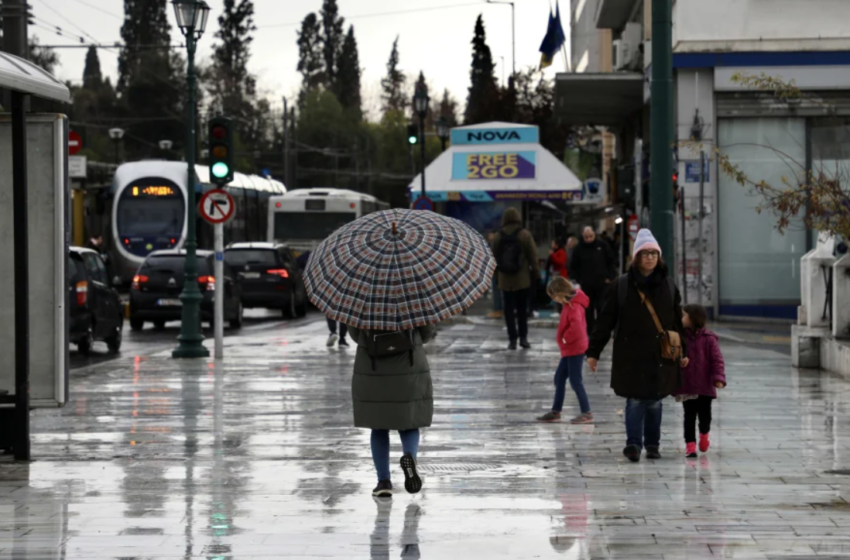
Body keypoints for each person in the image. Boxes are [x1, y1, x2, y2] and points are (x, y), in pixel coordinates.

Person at [586, 229, 688, 463]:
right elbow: (605, 320)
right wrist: (593, 352)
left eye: (654, 253)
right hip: (630, 353)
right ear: (637, 257)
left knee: (654, 401)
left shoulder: (669, 286)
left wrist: (684, 351)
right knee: (634, 399)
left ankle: (652, 445)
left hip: (659, 354)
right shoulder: (622, 285)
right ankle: (633, 444)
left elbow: (676, 323)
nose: (650, 257)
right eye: (645, 253)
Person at [347, 324, 436, 497]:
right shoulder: (412, 298)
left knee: (378, 425)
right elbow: (426, 334)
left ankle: (384, 482)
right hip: (408, 364)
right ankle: (409, 456)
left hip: (373, 366)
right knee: (409, 421)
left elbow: (356, 335)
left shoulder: (364, 299)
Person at [537, 276, 593, 424]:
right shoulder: (569, 304)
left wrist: (564, 339)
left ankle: (586, 412)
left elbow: (577, 329)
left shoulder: (574, 307)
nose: (553, 299)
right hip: (569, 350)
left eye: (553, 296)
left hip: (575, 349)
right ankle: (556, 411)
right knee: (559, 378)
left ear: (560, 293)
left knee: (575, 381)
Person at [675, 304, 726, 458]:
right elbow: (674, 356)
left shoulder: (709, 339)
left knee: (705, 416)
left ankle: (704, 435)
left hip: (705, 386)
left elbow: (717, 360)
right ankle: (690, 445)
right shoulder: (681, 338)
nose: (681, 318)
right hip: (688, 385)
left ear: (693, 318)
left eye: (684, 315)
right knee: (688, 416)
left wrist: (718, 378)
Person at [492, 208, 540, 350]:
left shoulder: (497, 236)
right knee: (521, 309)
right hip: (522, 280)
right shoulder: (524, 234)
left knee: (508, 311)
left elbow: (492, 258)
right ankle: (523, 338)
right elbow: (532, 257)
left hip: (505, 280)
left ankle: (512, 339)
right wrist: (536, 275)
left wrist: (496, 278)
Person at [570, 226, 616, 335]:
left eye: (590, 236)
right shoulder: (579, 248)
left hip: (602, 283)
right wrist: (577, 280)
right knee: (588, 310)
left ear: (594, 235)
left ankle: (601, 330)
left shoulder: (602, 245)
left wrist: (610, 277)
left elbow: (611, 261)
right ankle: (589, 331)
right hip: (586, 284)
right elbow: (573, 266)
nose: (589, 239)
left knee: (602, 307)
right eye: (586, 237)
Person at [486, 231, 503, 319]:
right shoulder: (493, 244)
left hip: (497, 270)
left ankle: (498, 309)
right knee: (498, 291)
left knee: (498, 291)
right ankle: (499, 309)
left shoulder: (495, 244)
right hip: (498, 270)